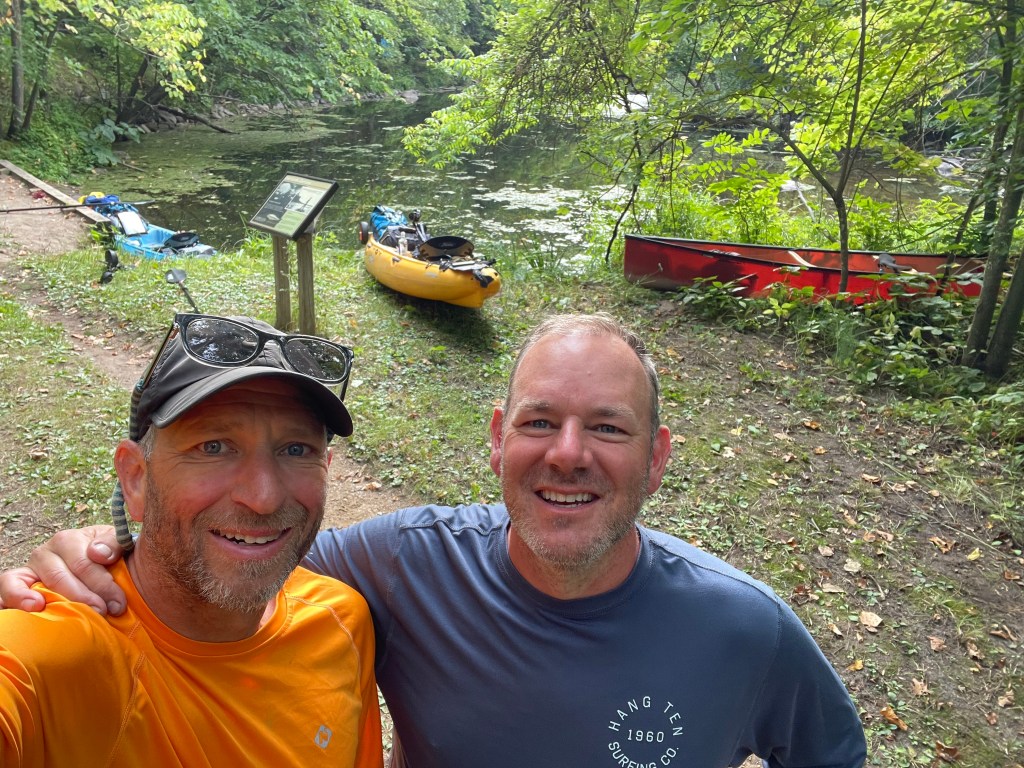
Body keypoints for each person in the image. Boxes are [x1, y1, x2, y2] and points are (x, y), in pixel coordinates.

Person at [1, 313, 866, 767]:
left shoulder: (746, 629)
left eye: (607, 427)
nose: (568, 454)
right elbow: (224, 557)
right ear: (497, 438)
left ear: (658, 458)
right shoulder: (396, 568)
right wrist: (104, 542)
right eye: (539, 421)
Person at [0, 313, 382, 767]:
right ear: (136, 478)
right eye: (213, 446)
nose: (263, 497)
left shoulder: (341, 622)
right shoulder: (51, 654)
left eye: (296, 450)